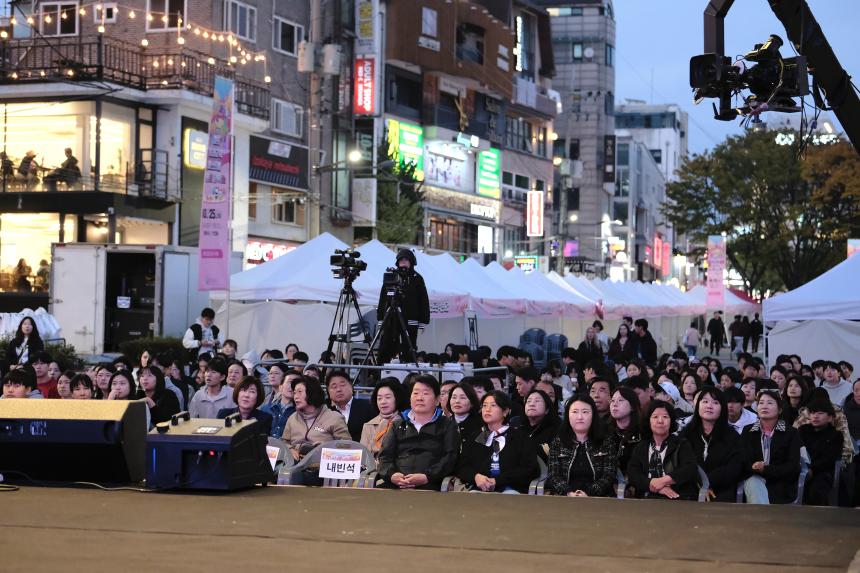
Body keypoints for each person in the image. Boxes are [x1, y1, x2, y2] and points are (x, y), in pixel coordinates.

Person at [377, 375, 459, 490]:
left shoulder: (447, 425)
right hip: (397, 484)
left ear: (437, 400)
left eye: (425, 394)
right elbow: (385, 456)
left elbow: (449, 457)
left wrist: (427, 477)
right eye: (415, 393)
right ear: (410, 398)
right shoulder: (398, 424)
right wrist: (392, 475)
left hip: (431, 485)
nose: (419, 398)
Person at [456, 391, 539, 493]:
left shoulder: (519, 437)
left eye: (493, 405)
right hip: (479, 488)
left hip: (511, 488)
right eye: (484, 405)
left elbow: (529, 469)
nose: (487, 409)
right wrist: (476, 477)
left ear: (505, 411)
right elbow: (462, 466)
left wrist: (498, 481)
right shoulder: (477, 436)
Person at [547, 395, 618, 497]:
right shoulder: (558, 442)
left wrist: (589, 493)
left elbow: (609, 475)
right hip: (565, 498)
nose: (580, 417)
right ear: (567, 415)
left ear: (593, 415)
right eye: (575, 412)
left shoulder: (605, 442)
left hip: (599, 498)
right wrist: (568, 492)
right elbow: (553, 475)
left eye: (585, 412)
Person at [681, 387, 744, 502]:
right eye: (705, 401)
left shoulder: (732, 437)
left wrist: (708, 483)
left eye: (715, 403)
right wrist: (702, 485)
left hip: (721, 489)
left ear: (722, 409)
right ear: (697, 406)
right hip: (690, 487)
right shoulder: (686, 434)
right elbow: (682, 463)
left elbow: (734, 467)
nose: (709, 406)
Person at [739, 389, 802, 504]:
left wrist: (766, 470)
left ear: (780, 409)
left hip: (781, 483)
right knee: (754, 482)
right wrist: (755, 468)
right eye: (761, 403)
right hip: (754, 478)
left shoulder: (791, 433)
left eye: (770, 403)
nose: (764, 406)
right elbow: (743, 460)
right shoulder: (748, 431)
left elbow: (792, 465)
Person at [627, 400, 698, 500]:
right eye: (655, 417)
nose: (660, 421)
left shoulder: (681, 444)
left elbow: (690, 468)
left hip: (678, 497)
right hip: (647, 498)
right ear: (648, 421)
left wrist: (663, 481)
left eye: (665, 417)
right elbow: (633, 474)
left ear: (671, 420)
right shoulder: (641, 447)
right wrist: (654, 485)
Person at [376, 249, 430, 364]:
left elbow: (423, 300)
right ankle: (379, 374)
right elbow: (383, 299)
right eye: (401, 260)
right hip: (391, 318)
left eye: (406, 260)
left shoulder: (417, 278)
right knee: (386, 346)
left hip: (411, 319)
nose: (403, 262)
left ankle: (409, 376)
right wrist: (381, 318)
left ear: (411, 262)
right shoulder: (391, 277)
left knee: (409, 349)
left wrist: (423, 321)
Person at [282, 376, 351, 461]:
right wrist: (289, 449)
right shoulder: (293, 418)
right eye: (295, 393)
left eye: (300, 392)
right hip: (295, 465)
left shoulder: (334, 417)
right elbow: (284, 441)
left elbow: (347, 446)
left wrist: (326, 447)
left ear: (312, 393)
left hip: (323, 465)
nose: (296, 396)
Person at [797, 397, 842, 505]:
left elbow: (829, 459)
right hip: (800, 468)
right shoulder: (803, 430)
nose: (815, 416)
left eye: (820, 413)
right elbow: (796, 450)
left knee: (816, 491)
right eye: (812, 413)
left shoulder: (835, 435)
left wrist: (812, 469)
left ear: (830, 417)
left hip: (822, 472)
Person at [360, 378, 408, 461]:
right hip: (372, 471)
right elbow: (362, 457)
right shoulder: (368, 426)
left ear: (397, 398)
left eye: (388, 397)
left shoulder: (407, 423)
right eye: (379, 398)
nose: (383, 402)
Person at [325, 369, 374, 442]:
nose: (338, 389)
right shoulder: (326, 411)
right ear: (328, 391)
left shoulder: (367, 407)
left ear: (351, 386)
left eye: (342, 385)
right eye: (334, 387)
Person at [607, 387, 642, 475]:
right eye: (613, 400)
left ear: (632, 407)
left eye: (620, 400)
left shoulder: (643, 433)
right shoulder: (605, 432)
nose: (615, 404)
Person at [520, 389, 560, 461]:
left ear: (547, 410)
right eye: (528, 401)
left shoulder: (556, 431)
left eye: (537, 401)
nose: (531, 404)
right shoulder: (519, 428)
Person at [261, 368, 299, 438]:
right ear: (281, 387)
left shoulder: (300, 413)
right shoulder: (265, 409)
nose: (292, 386)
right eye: (290, 382)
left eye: (296, 383)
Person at [448, 382, 483, 451]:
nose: (457, 401)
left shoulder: (482, 425)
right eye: (454, 397)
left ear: (472, 402)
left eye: (463, 398)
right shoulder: (443, 424)